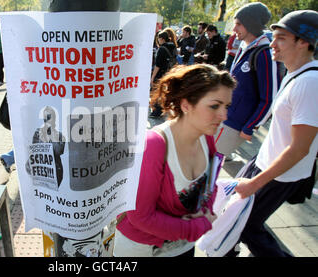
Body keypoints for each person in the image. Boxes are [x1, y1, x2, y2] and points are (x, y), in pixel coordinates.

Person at [113, 64, 236, 257]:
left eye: (226, 106)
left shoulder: (207, 136)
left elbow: (209, 185)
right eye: (214, 106)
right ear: (186, 105)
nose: (224, 115)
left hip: (184, 245)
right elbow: (140, 217)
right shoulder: (153, 145)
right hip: (145, 249)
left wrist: (205, 210)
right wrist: (199, 225)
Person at [227, 10, 318, 257]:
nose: (272, 43)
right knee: (234, 216)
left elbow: (300, 148)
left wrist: (255, 182)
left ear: (303, 42)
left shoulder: (309, 83)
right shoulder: (295, 73)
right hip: (265, 161)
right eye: (273, 36)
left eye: (281, 38)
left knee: (246, 227)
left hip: (280, 175)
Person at [215, 2, 279, 161]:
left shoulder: (265, 54)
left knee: (209, 163)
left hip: (235, 124)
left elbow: (270, 99)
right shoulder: (245, 48)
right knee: (205, 162)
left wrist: (251, 127)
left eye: (238, 24)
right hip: (223, 117)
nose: (234, 29)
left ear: (251, 25)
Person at [150, 29, 178, 117]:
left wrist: (152, 77)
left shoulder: (162, 49)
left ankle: (156, 111)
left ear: (161, 39)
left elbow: (157, 65)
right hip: (169, 72)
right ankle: (162, 109)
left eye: (158, 39)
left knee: (156, 92)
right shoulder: (173, 46)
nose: (158, 40)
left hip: (160, 73)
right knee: (163, 92)